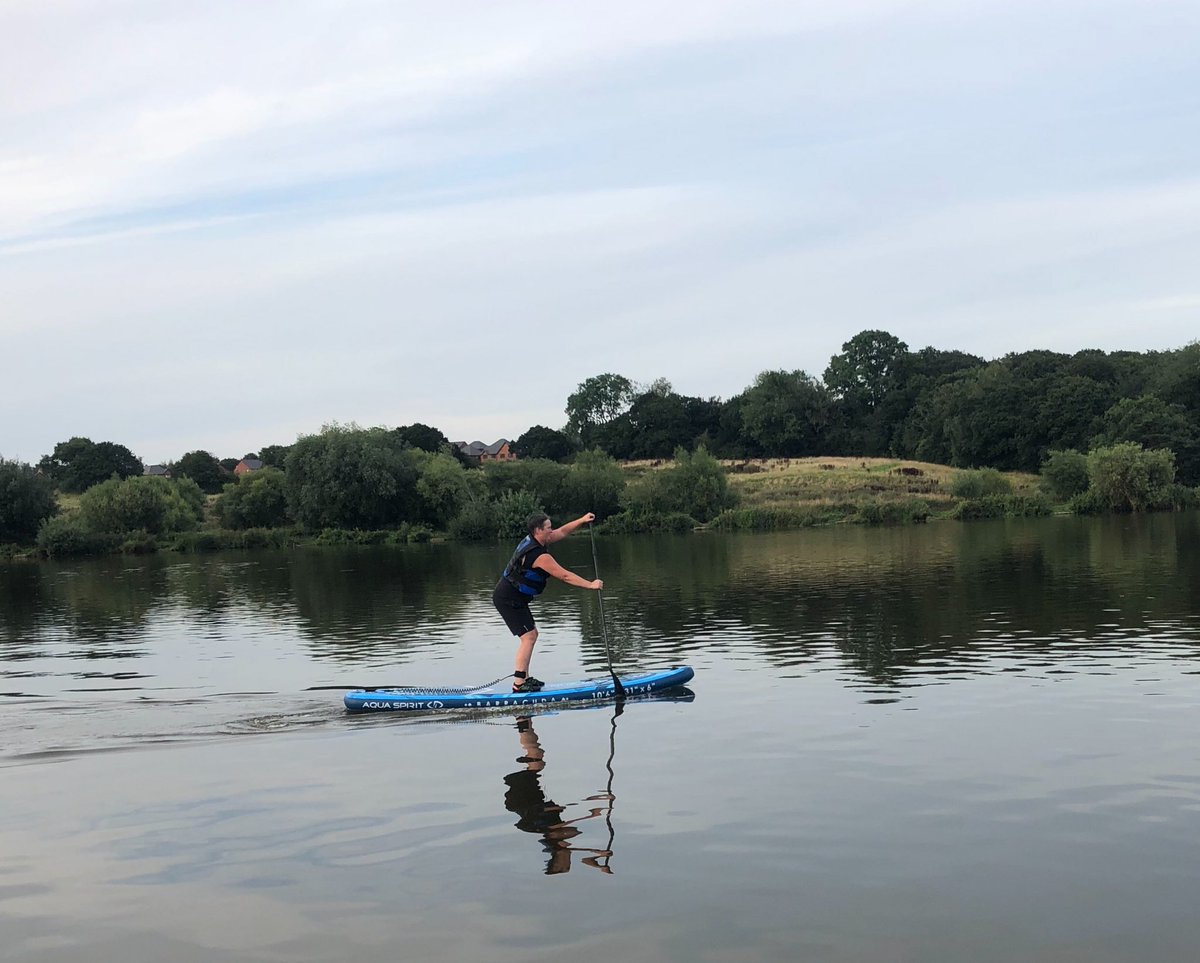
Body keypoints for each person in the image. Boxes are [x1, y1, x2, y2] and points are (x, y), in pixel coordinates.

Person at [493, 512, 602, 693]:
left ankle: (525, 679)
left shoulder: (535, 539)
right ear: (538, 530)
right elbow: (565, 576)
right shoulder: (539, 556)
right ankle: (519, 684)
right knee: (528, 637)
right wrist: (590, 584)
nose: (552, 531)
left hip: (514, 597)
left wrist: (582, 520)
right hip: (507, 598)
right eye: (548, 528)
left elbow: (562, 532)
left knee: (531, 635)